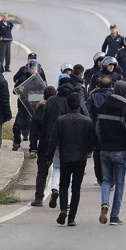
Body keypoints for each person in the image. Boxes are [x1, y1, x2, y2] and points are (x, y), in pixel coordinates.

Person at [96, 80, 126, 225]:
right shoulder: (125, 109)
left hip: (104, 149)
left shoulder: (103, 107)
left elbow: (97, 128)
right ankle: (114, 216)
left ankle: (105, 203)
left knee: (107, 180)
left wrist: (100, 142)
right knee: (120, 183)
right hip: (120, 150)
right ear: (123, 91)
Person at [47, 93, 96, 226]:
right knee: (76, 188)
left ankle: (63, 209)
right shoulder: (87, 121)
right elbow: (93, 140)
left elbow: (53, 140)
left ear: (68, 105)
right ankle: (72, 217)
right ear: (79, 105)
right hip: (80, 157)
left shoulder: (61, 120)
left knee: (63, 184)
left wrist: (49, 156)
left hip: (65, 157)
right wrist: (88, 150)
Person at [43, 74, 89, 209]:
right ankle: (68, 202)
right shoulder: (75, 100)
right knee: (69, 172)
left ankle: (54, 189)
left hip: (54, 138)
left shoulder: (51, 100)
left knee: (57, 167)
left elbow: (44, 121)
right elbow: (87, 116)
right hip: (72, 140)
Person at [30, 86, 56, 207]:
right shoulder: (58, 110)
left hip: (44, 144)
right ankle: (58, 193)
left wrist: (33, 148)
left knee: (41, 172)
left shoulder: (39, 110)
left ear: (44, 97)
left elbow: (33, 133)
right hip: (57, 144)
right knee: (59, 170)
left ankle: (39, 197)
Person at [85, 76, 113, 185]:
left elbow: (86, 111)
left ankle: (101, 178)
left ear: (98, 85)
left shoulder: (92, 97)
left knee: (97, 155)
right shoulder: (114, 96)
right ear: (111, 85)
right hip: (112, 128)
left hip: (97, 128)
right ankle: (111, 178)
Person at [12, 59, 40, 152]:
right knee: (17, 125)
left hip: (35, 106)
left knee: (37, 127)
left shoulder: (39, 79)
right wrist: (19, 89)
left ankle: (34, 147)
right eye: (32, 68)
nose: (34, 70)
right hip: (24, 105)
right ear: (28, 68)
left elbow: (45, 90)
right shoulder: (22, 78)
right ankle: (16, 143)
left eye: (35, 68)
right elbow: (14, 90)